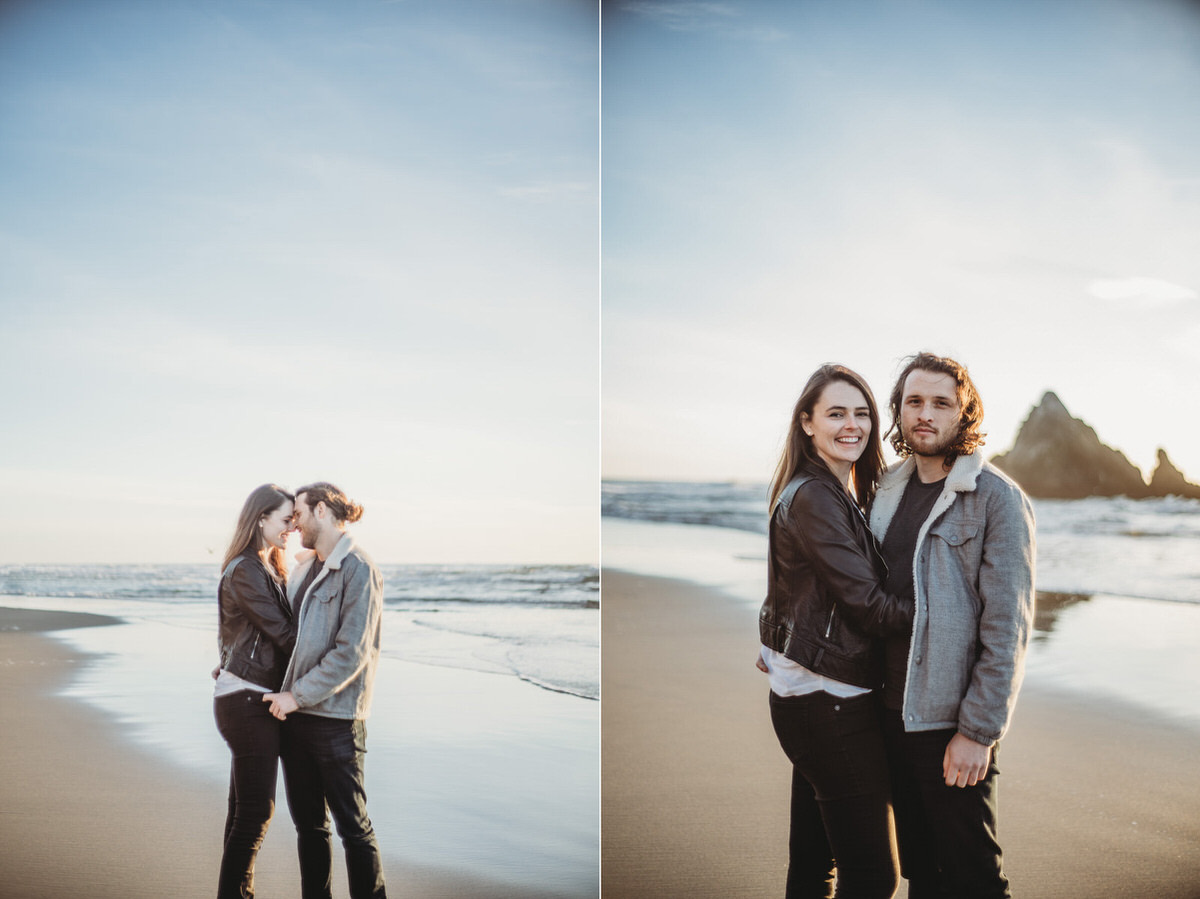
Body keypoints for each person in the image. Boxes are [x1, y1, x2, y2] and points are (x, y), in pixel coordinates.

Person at [870, 352, 1035, 899]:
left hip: (950, 723)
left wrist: (978, 732)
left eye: (941, 402)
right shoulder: (883, 492)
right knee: (922, 871)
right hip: (888, 713)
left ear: (963, 414)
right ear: (898, 410)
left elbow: (1007, 628)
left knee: (974, 879)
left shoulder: (996, 499)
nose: (926, 413)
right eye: (914, 401)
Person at [757, 364, 915, 899]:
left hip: (810, 695)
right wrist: (950, 611)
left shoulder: (822, 490)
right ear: (807, 422)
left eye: (862, 413)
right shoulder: (817, 496)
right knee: (871, 876)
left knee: (814, 866)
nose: (854, 425)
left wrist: (776, 639)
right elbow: (868, 608)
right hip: (830, 703)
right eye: (836, 413)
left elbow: (792, 584)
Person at [263, 482, 387, 899]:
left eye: (297, 513)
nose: (293, 524)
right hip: (295, 721)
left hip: (337, 722)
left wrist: (295, 696)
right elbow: (290, 641)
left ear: (321, 511)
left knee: (353, 828)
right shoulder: (302, 569)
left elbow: (352, 653)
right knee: (310, 828)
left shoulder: (359, 569)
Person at [214, 483, 298, 899]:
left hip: (248, 693)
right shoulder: (246, 569)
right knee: (255, 811)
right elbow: (283, 634)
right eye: (286, 519)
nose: (292, 528)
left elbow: (237, 635)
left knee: (243, 810)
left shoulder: (269, 566)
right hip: (247, 698)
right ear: (261, 517)